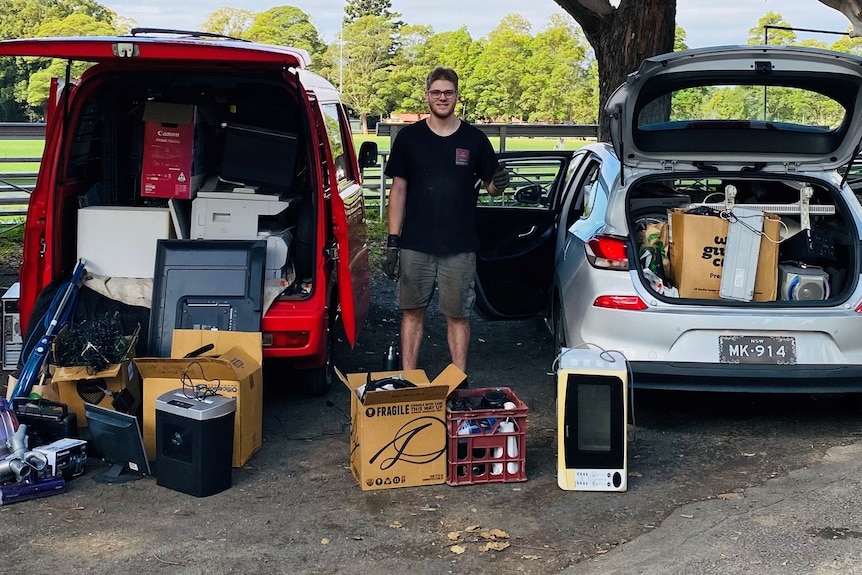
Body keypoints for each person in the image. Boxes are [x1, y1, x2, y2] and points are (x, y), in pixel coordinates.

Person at [383, 66, 509, 375]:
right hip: (415, 244)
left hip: (459, 245)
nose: (442, 97)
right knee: (412, 313)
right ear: (427, 95)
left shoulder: (475, 140)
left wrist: (499, 183)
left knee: (458, 315)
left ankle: (458, 380)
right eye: (436, 92)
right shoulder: (409, 138)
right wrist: (392, 242)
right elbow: (398, 191)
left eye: (448, 92)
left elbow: (492, 188)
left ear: (457, 96)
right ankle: (409, 377)